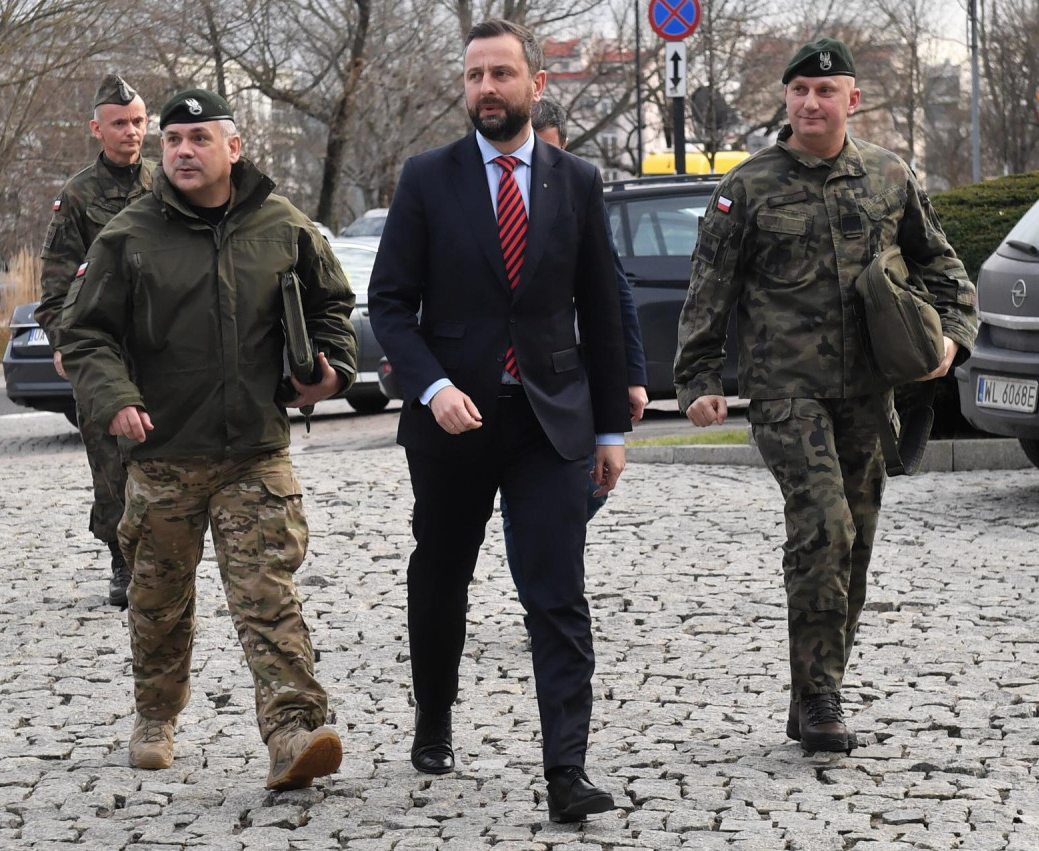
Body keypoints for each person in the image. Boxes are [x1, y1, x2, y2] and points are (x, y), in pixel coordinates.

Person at [674, 37, 978, 752]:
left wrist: (950, 340)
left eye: (826, 90)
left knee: (858, 543)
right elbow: (707, 294)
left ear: (852, 100)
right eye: (800, 91)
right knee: (823, 526)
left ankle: (818, 679)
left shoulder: (889, 176)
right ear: (786, 98)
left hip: (869, 395)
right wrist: (698, 380)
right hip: (787, 394)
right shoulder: (744, 189)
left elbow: (943, 265)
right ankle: (820, 699)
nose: (812, 102)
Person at [57, 88, 357, 790]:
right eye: (173, 140)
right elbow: (85, 332)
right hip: (163, 453)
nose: (183, 151)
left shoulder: (282, 224)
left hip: (255, 448)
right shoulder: (129, 235)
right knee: (159, 599)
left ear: (234, 147)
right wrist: (116, 399)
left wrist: (332, 371)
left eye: (198, 138)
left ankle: (293, 731)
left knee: (267, 591)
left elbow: (332, 306)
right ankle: (155, 713)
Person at [368, 19, 630, 824]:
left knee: (556, 593)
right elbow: (389, 304)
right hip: (453, 423)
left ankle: (566, 769)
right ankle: (435, 717)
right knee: (442, 574)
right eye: (475, 75)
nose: (486, 88)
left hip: (550, 421)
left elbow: (603, 302)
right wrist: (432, 386)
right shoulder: (426, 178)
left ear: (534, 85)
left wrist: (613, 431)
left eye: (501, 74)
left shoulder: (575, 180)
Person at [500, 98, 647, 565]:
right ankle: (541, 586)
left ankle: (542, 554)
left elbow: (612, 291)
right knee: (535, 508)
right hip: (515, 376)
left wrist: (633, 376)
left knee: (587, 491)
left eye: (546, 152)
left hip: (574, 375)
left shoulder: (576, 185)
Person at [35, 74, 155, 608]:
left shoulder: (167, 182)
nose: (131, 132)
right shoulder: (79, 196)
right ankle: (122, 561)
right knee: (110, 461)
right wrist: (64, 342)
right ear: (96, 129)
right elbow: (57, 283)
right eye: (120, 124)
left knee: (163, 454)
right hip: (103, 346)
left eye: (139, 122)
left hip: (160, 345)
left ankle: (163, 557)